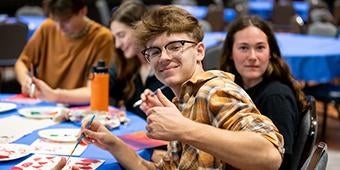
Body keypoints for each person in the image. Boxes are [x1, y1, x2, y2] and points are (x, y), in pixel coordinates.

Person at [54, 6, 284, 170]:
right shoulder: (181, 101)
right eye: (154, 51)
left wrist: (183, 128)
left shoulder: (214, 90)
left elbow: (269, 156)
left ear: (200, 51)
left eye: (175, 46)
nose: (163, 57)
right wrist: (113, 144)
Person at [219, 15, 308, 169]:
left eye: (260, 47)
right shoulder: (235, 89)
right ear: (231, 54)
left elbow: (280, 163)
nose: (252, 57)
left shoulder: (275, 97)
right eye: (244, 48)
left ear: (270, 52)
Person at [14, 0, 115, 104]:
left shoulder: (102, 38)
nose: (59, 27)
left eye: (66, 20)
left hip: (77, 108)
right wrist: (26, 81)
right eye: (55, 20)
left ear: (83, 12)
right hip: (43, 105)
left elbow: (94, 92)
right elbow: (21, 62)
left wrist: (55, 95)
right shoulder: (47, 27)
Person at [108, 0, 174, 119]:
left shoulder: (168, 65)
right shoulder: (126, 64)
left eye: (121, 35)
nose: (117, 44)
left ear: (140, 30)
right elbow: (100, 88)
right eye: (115, 37)